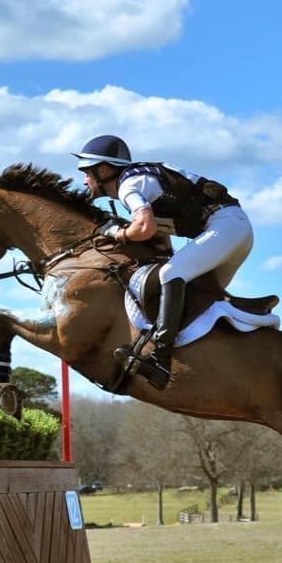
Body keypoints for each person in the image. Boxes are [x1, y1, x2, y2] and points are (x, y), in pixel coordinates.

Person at [72, 135, 254, 389]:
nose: (84, 180)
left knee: (170, 274)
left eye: (86, 173)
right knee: (198, 304)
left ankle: (160, 361)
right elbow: (159, 234)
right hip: (232, 229)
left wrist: (117, 233)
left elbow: (144, 227)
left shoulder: (128, 186)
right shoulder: (139, 180)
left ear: (103, 170)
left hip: (225, 227)